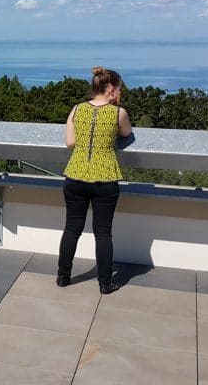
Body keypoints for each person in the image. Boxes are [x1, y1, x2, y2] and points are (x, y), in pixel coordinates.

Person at [57, 66, 133, 294]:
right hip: (105, 178)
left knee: (72, 228)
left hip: (75, 175)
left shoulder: (76, 110)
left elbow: (70, 143)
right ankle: (104, 282)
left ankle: (63, 276)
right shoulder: (119, 113)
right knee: (103, 232)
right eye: (118, 89)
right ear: (111, 88)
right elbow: (127, 134)